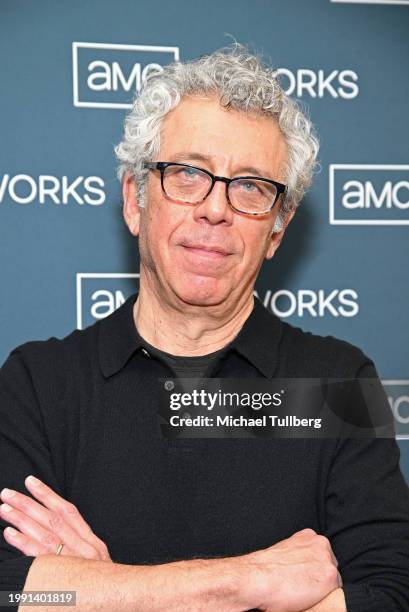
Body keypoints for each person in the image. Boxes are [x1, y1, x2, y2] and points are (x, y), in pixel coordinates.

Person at [1, 43, 408, 612]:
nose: (216, 209)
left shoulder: (339, 383)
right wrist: (245, 582)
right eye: (188, 174)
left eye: (250, 186)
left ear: (277, 229)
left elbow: (389, 595)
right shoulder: (38, 384)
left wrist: (104, 589)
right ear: (135, 201)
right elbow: (10, 588)